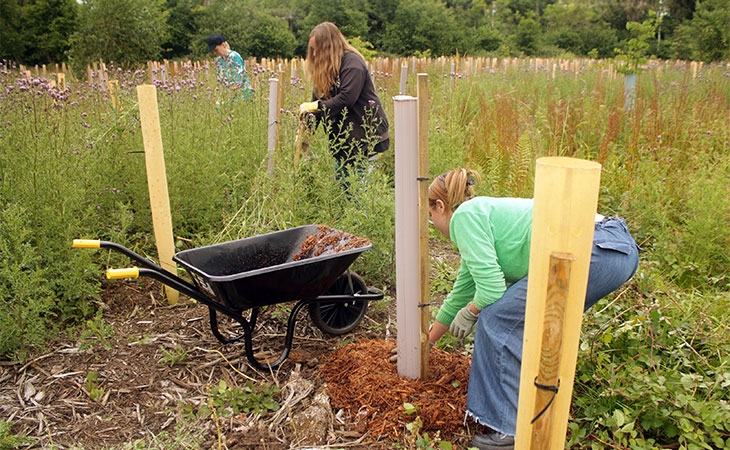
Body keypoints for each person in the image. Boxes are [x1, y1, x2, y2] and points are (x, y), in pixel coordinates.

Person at [426, 168, 640, 450]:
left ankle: (507, 430)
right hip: (615, 247)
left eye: (430, 217)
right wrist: (427, 342)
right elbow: (461, 292)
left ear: (440, 206)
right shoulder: (478, 216)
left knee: (496, 320)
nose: (433, 224)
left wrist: (473, 312)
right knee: (525, 322)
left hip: (593, 248)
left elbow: (490, 290)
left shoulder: (464, 218)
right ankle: (531, 412)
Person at [299, 22, 389, 184]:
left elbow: (347, 98)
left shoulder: (352, 64)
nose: (313, 54)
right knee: (343, 187)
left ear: (328, 47)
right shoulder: (325, 71)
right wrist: (304, 137)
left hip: (365, 139)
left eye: (316, 49)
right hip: (343, 143)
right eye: (311, 49)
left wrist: (317, 106)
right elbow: (317, 106)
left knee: (358, 192)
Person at [206, 33, 253, 101]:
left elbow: (239, 80)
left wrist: (229, 97)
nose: (215, 53)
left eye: (216, 50)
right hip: (227, 95)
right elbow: (220, 80)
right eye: (213, 51)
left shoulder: (234, 57)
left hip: (242, 95)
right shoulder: (218, 60)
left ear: (223, 45)